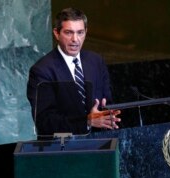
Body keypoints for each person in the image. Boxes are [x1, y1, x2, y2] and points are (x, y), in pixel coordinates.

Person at [27, 7, 121, 137]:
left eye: (80, 32)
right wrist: (87, 121)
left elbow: (108, 102)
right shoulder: (42, 70)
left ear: (86, 32)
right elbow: (44, 122)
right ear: (56, 33)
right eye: (69, 32)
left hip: (101, 144)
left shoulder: (96, 61)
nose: (75, 39)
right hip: (63, 149)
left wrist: (106, 112)